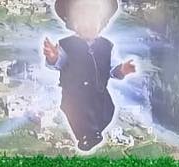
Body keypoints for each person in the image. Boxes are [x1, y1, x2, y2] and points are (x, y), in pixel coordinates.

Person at [42, 0, 136, 151]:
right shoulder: (66, 45)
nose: (88, 25)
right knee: (78, 113)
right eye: (82, 20)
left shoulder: (107, 46)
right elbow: (59, 63)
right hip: (74, 93)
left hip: (98, 92)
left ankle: (96, 131)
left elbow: (112, 69)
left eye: (93, 21)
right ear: (73, 24)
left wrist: (122, 70)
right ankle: (86, 136)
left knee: (108, 109)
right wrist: (53, 57)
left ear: (102, 24)